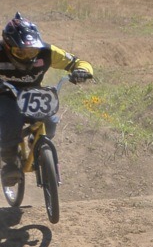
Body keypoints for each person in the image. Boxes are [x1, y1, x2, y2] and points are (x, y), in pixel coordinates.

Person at [0, 13, 93, 187]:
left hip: (32, 94)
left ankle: (38, 146)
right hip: (5, 95)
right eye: (21, 51)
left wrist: (82, 71)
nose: (28, 56)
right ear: (7, 46)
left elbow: (77, 62)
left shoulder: (47, 51)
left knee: (50, 119)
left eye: (32, 51)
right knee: (10, 120)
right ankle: (10, 163)